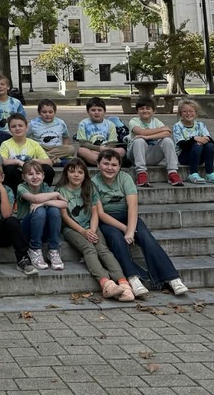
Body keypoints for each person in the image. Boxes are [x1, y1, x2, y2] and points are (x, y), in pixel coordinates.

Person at [94, 149, 189, 297]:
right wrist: (124, 229)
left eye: (114, 164)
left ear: (119, 166)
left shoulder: (125, 178)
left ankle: (172, 278)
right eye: (106, 163)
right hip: (107, 219)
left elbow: (133, 207)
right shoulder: (93, 182)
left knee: (145, 237)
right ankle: (133, 277)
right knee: (116, 238)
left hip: (127, 215)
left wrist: (131, 231)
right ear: (98, 164)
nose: (109, 168)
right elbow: (100, 213)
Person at [56, 158, 134, 302]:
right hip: (72, 229)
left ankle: (123, 283)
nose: (76, 175)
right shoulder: (60, 190)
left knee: (103, 249)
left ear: (85, 175)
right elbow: (65, 217)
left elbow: (95, 212)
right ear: (66, 173)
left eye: (80, 172)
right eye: (72, 171)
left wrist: (92, 229)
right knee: (89, 249)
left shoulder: (89, 187)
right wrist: (83, 232)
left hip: (91, 225)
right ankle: (106, 284)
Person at [16, 159, 66, 272]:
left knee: (53, 210)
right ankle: (34, 249)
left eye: (38, 173)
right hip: (26, 230)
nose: (35, 177)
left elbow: (64, 204)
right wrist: (55, 195)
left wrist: (45, 202)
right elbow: (35, 199)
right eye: (30, 174)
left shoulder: (45, 187)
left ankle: (53, 250)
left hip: (43, 230)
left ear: (43, 176)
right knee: (40, 211)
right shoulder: (21, 187)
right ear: (24, 177)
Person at [129, 97, 183, 187]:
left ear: (153, 111)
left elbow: (167, 133)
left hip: (153, 155)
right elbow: (141, 132)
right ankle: (141, 173)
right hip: (136, 155)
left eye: (148, 108)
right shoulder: (134, 121)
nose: (145, 111)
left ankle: (172, 172)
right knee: (139, 141)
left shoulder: (156, 121)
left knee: (167, 141)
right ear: (137, 111)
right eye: (142, 109)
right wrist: (160, 130)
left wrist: (148, 137)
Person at [0, 113, 55, 189]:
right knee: (9, 169)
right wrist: (17, 162)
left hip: (32, 174)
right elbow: (2, 161)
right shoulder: (5, 144)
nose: (17, 128)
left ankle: (42, 191)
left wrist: (34, 161)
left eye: (20, 125)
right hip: (16, 175)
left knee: (48, 169)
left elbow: (49, 162)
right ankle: (15, 195)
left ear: (27, 127)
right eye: (13, 126)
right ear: (9, 129)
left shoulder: (34, 144)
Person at [174, 99, 214, 184]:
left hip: (200, 156)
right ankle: (193, 173)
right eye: (185, 111)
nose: (188, 113)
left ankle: (210, 173)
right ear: (180, 114)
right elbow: (182, 145)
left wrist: (203, 140)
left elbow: (210, 140)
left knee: (209, 146)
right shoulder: (178, 126)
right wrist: (194, 139)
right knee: (197, 145)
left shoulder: (200, 125)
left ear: (196, 113)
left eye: (191, 111)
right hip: (184, 157)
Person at [76, 97, 125, 165]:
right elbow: (83, 143)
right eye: (93, 110)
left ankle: (101, 162)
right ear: (88, 111)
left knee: (121, 151)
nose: (96, 112)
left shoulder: (110, 124)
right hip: (91, 150)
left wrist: (104, 150)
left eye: (99, 110)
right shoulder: (83, 123)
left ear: (104, 111)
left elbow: (112, 143)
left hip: (107, 151)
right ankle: (106, 163)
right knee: (81, 150)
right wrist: (99, 149)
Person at [27, 99, 75, 163]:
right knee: (32, 150)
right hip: (41, 148)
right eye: (44, 112)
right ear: (39, 113)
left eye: (50, 112)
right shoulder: (33, 124)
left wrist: (64, 146)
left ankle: (46, 157)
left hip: (57, 148)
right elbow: (25, 137)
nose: (47, 114)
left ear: (54, 112)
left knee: (71, 149)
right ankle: (55, 159)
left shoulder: (61, 123)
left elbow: (65, 137)